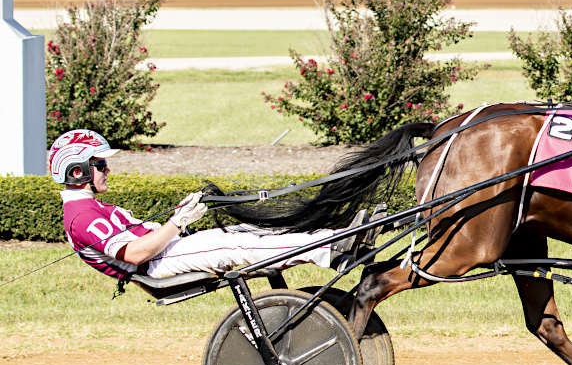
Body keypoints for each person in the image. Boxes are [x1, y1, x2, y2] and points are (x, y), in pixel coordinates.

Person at [50, 129, 354, 282]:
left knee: (247, 229)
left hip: (162, 254)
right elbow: (137, 253)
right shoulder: (82, 216)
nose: (108, 170)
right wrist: (177, 223)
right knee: (235, 245)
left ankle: (332, 236)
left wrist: (177, 219)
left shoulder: (87, 209)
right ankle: (329, 247)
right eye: (101, 165)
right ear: (78, 171)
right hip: (155, 264)